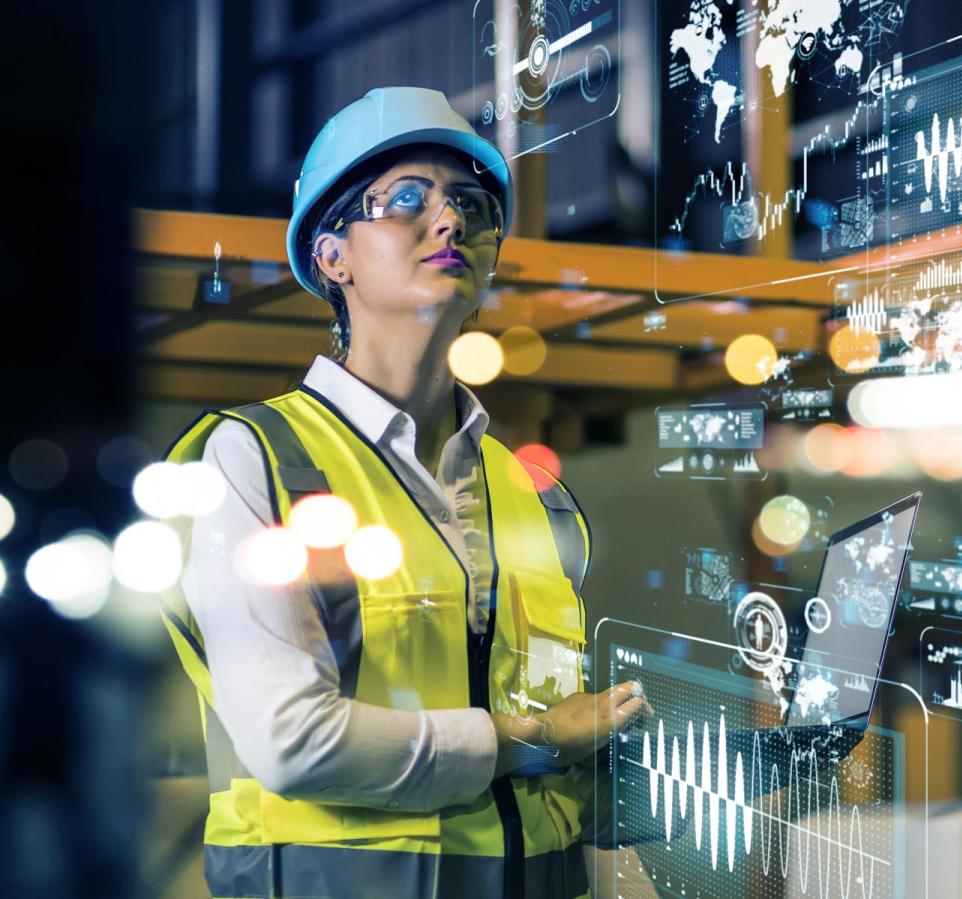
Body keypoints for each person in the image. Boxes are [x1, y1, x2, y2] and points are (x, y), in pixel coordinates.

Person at [159, 86, 648, 898]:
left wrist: (713, 772)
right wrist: (531, 738)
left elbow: (554, 782)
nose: (450, 221)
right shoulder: (254, 460)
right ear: (332, 255)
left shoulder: (532, 493)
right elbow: (292, 739)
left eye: (471, 204)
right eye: (408, 200)